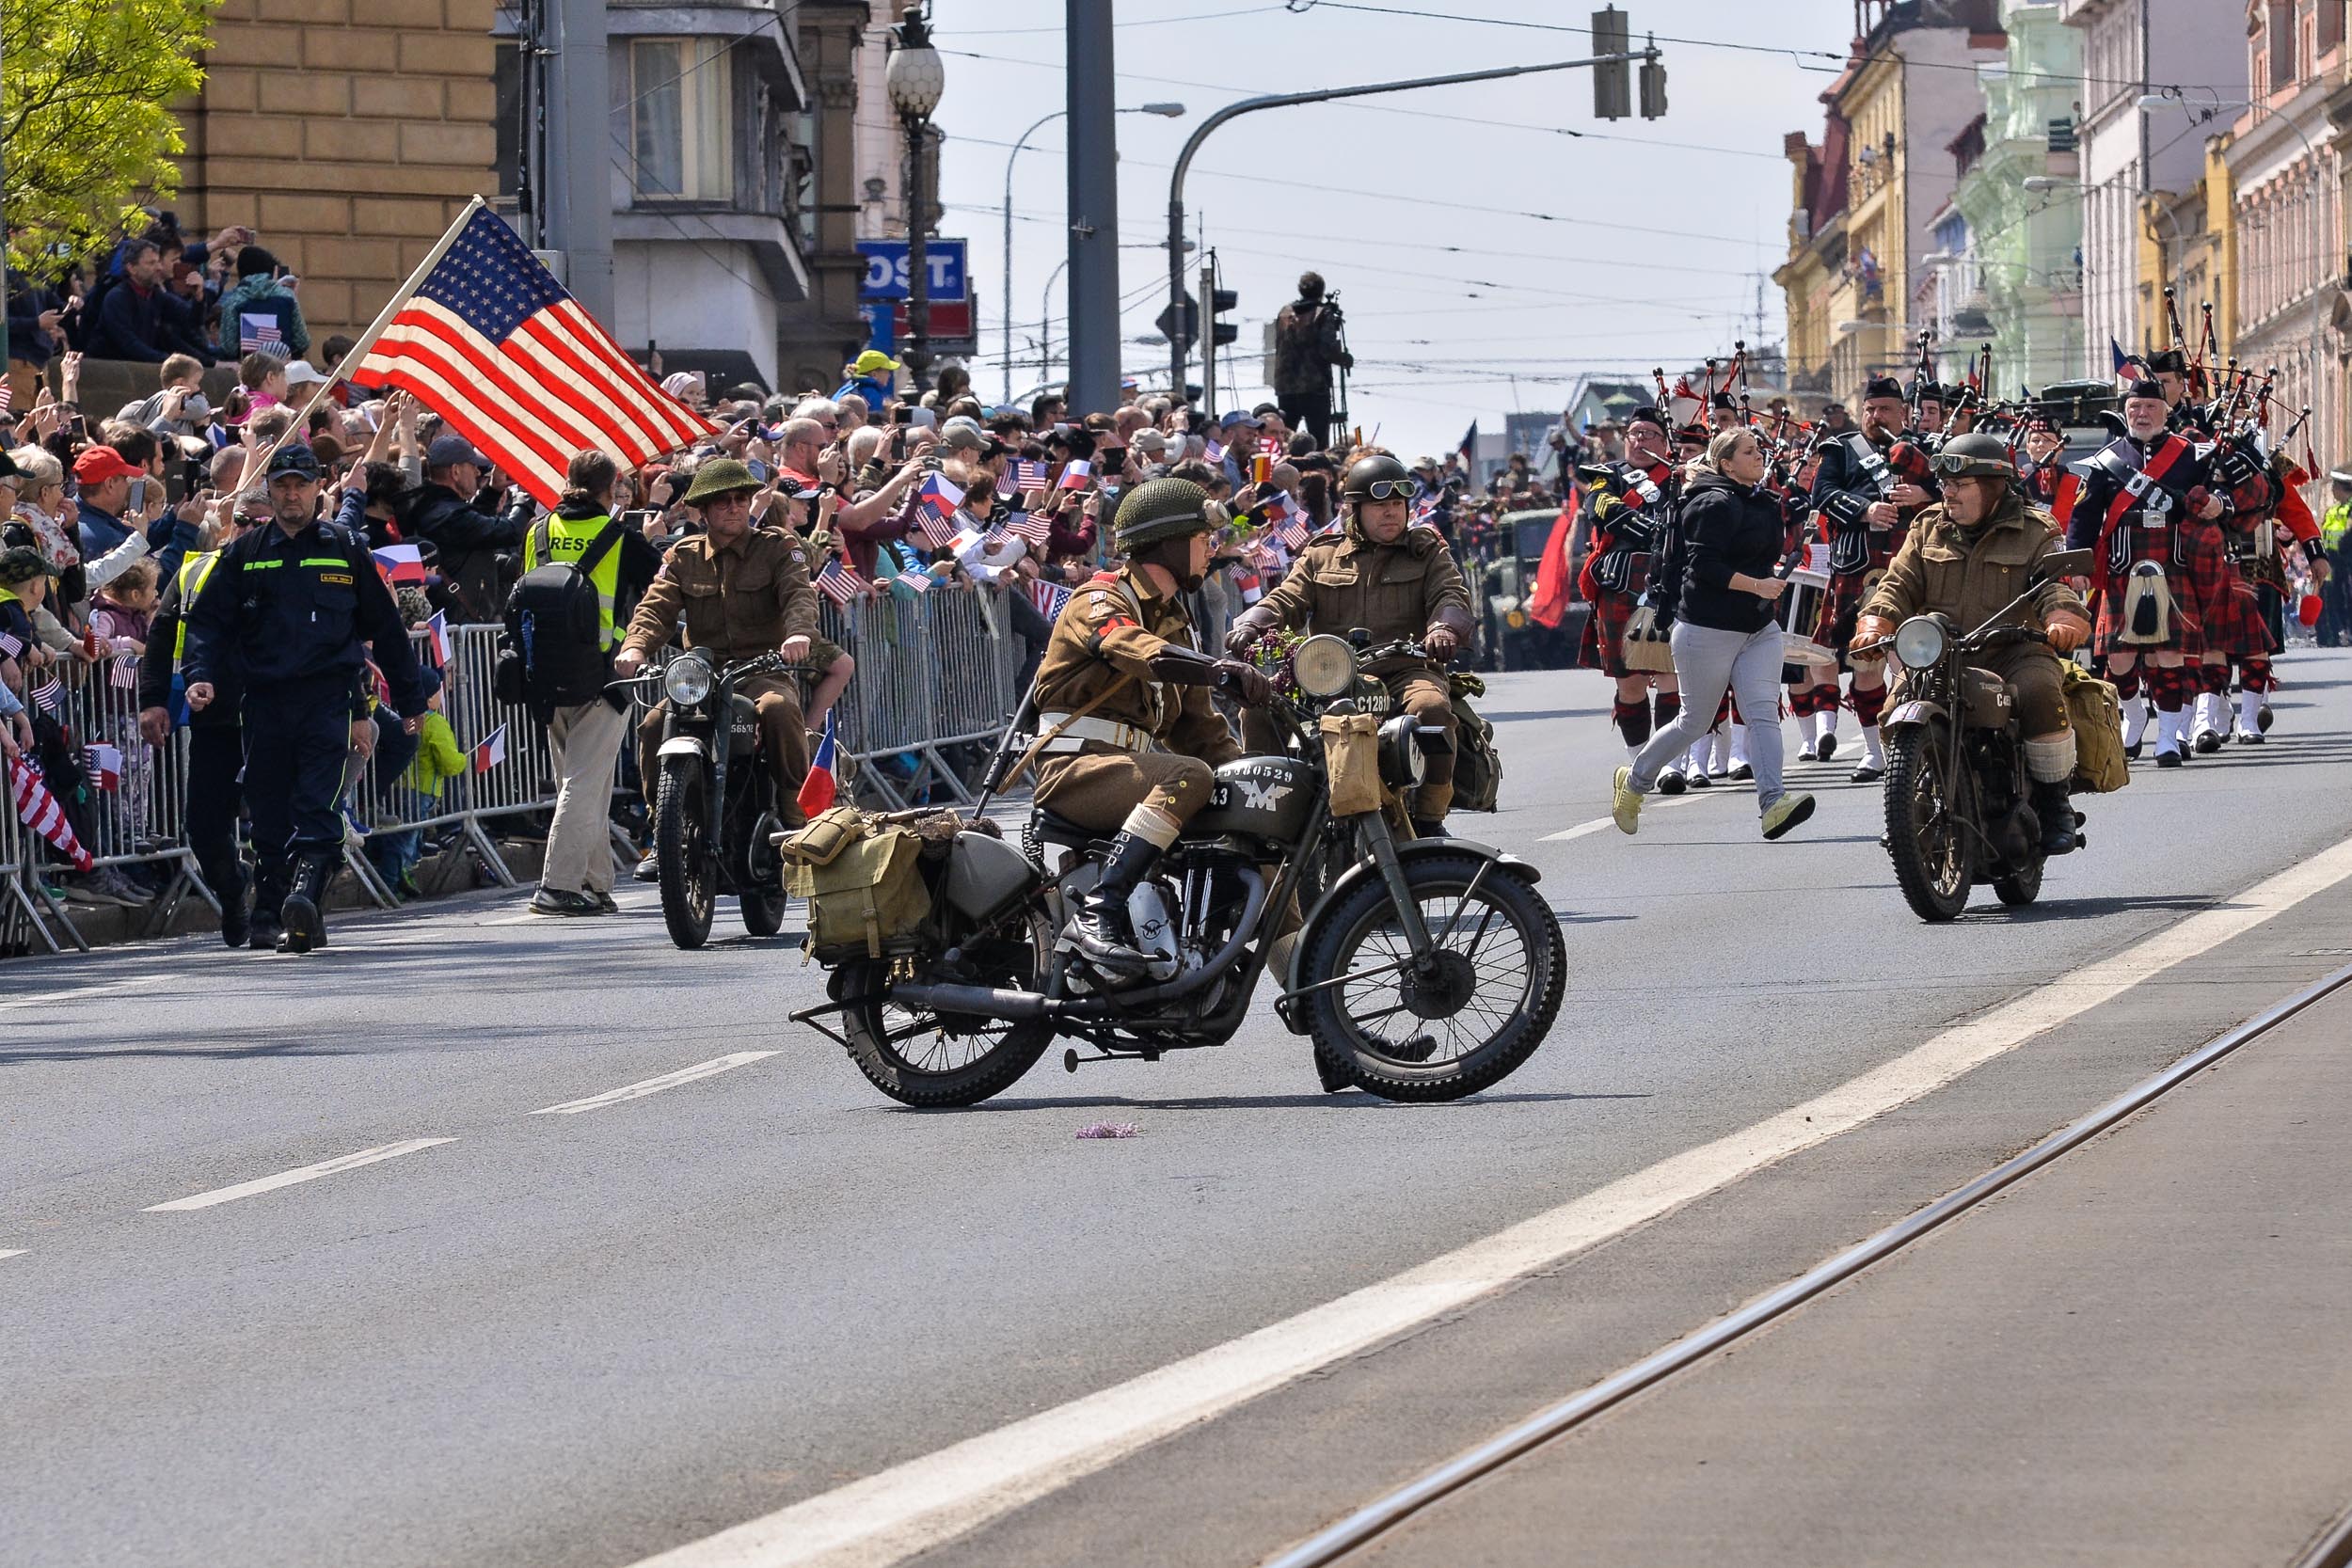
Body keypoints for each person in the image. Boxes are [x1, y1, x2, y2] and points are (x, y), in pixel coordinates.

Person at [182, 444, 431, 953]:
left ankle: (305, 899)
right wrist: (201, 674)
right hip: (264, 703)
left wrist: (410, 700)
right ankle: (271, 915)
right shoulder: (246, 553)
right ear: (269, 492)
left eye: (300, 484)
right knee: (269, 816)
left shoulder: (343, 547)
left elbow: (385, 628)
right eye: (282, 486)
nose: (291, 495)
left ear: (319, 488)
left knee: (317, 805)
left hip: (328, 701)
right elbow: (207, 623)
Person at [1028, 477, 1271, 970]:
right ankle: (1098, 911)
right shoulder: (1098, 598)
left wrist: (1255, 783)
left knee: (1263, 841)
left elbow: (1202, 731)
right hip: (1075, 768)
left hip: (1129, 769)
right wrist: (1218, 668)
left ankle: (1313, 1000)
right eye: (1204, 539)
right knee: (1188, 774)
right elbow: (1127, 646)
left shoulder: (1175, 621)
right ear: (1168, 543)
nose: (1213, 549)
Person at [1852, 432, 2091, 853]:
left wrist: (2062, 617)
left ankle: (2056, 804)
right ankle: (1909, 806)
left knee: (2039, 693)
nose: (1948, 494)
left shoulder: (2036, 528)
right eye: (1944, 485)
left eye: (1959, 485)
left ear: (1993, 486)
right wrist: (1874, 623)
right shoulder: (1927, 527)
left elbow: (2055, 584)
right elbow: (1896, 584)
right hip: (1940, 654)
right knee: (1894, 709)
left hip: (2017, 649)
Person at [1226, 453, 1473, 836]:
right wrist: (1251, 623)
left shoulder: (1426, 551)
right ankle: (1263, 812)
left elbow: (1452, 595)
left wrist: (1443, 629)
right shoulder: (1322, 553)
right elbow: (1287, 598)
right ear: (1354, 509)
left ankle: (1430, 818)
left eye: (1397, 505)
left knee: (1433, 708)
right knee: (1258, 710)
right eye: (1380, 506)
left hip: (1403, 670)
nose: (1391, 514)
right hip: (1324, 676)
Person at [1611, 429, 1816, 841]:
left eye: (1760, 450)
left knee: (1762, 714)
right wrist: (1758, 585)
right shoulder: (1711, 503)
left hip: (1758, 628)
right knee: (1694, 722)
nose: (1759, 457)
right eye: (1749, 452)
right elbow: (1705, 567)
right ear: (1726, 463)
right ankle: (1633, 783)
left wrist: (1768, 580)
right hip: (1706, 629)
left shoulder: (1761, 501)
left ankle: (1773, 802)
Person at [614, 457, 819, 833]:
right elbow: (655, 608)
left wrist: (798, 634)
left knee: (778, 710)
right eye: (723, 500)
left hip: (762, 669)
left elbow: (798, 595)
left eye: (741, 498)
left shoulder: (776, 547)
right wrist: (635, 648)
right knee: (654, 723)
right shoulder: (682, 556)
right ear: (703, 509)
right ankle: (661, 826)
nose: (735, 506)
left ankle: (795, 809)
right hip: (702, 676)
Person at [518, 450, 666, 916]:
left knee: (584, 781)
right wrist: (651, 541)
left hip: (545, 672)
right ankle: (557, 886)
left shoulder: (538, 531)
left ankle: (594, 882)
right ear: (613, 488)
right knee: (583, 784)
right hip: (605, 674)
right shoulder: (619, 535)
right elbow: (662, 584)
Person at [2063, 378, 2231, 767]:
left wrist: (2217, 506)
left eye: (2150, 408)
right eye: (2135, 407)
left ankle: (2169, 738)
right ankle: (2135, 715)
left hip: (2173, 564)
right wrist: (2077, 566)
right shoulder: (2106, 460)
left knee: (2169, 654)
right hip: (2124, 565)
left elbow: (2227, 496)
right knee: (2119, 660)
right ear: (2126, 411)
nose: (2141, 414)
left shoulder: (2193, 456)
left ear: (2165, 412)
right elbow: (2083, 517)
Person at [1809, 374, 1935, 784]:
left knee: (1920, 662)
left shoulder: (1928, 450)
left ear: (1903, 413)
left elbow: (1956, 492)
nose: (1874, 416)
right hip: (1859, 569)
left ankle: (1919, 746)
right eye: (1869, 409)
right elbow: (1822, 492)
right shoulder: (1842, 449)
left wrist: (1924, 497)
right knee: (1867, 663)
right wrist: (1865, 510)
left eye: (1883, 410)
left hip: (1913, 567)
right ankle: (1874, 750)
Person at [138, 498, 253, 945]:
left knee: (275, 819)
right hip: (216, 718)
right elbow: (162, 634)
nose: (249, 530)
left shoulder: (292, 570)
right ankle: (232, 888)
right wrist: (152, 701)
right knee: (204, 828)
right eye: (242, 521)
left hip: (277, 717)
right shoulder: (195, 571)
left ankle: (274, 911)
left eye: (260, 522)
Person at [1572, 405, 1687, 784]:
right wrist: (1653, 528)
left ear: (1664, 442)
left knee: (1671, 674)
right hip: (1621, 583)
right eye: (1634, 434)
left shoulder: (1682, 479)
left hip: (1668, 583)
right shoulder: (1609, 477)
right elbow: (1601, 508)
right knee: (1630, 682)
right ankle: (1640, 760)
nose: (1640, 441)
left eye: (1649, 434)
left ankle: (1669, 763)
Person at [404, 434, 533, 622]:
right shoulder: (447, 515)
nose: (478, 473)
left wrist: (493, 491)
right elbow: (509, 531)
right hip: (459, 628)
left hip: (460, 622)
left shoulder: (435, 507)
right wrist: (527, 497)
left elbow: (474, 525)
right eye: (473, 467)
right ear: (455, 471)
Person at [1271, 272, 1352, 448]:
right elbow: (1327, 349)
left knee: (1284, 436)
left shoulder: (1285, 313)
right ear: (1321, 291)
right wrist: (1344, 358)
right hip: (1314, 386)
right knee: (1319, 438)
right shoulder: (1323, 313)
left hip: (1286, 386)